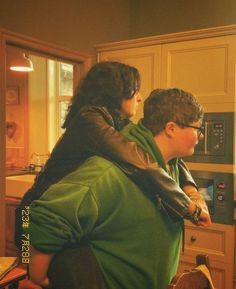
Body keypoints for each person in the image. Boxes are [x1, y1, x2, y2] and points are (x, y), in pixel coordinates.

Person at [26, 88, 211, 289]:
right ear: (171, 128)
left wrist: (193, 194)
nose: (200, 136)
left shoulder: (170, 165)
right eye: (198, 129)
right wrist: (37, 277)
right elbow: (42, 217)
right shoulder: (107, 173)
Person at [15, 61, 206, 250]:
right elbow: (141, 162)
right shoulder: (89, 120)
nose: (139, 98)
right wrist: (188, 207)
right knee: (27, 269)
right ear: (116, 92)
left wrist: (190, 188)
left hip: (56, 208)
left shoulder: (113, 121)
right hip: (33, 210)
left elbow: (172, 157)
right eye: (135, 90)